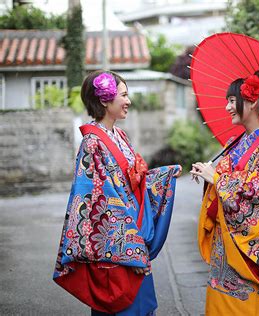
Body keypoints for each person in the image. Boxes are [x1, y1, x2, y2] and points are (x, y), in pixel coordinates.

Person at [53, 70, 181, 315]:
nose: (128, 101)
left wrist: (164, 176)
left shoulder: (119, 135)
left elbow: (133, 183)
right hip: (116, 249)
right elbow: (100, 205)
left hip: (131, 237)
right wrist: (131, 252)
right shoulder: (92, 144)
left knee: (141, 307)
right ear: (104, 100)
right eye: (123, 95)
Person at [191, 70, 259, 315]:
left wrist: (216, 178)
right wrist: (209, 172)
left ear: (252, 101)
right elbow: (229, 179)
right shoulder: (236, 142)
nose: (227, 107)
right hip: (225, 241)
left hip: (247, 245)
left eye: (232, 101)